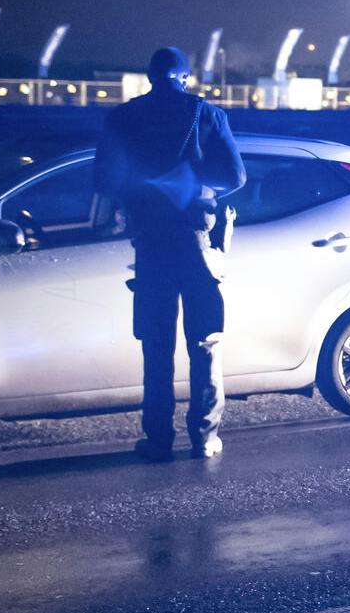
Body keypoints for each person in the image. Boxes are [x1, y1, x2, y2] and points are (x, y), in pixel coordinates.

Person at [95, 46, 247, 460]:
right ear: (185, 77)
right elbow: (235, 175)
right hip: (195, 242)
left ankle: (158, 440)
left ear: (149, 77)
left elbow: (105, 181)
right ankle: (205, 436)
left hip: (149, 245)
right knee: (205, 340)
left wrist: (135, 197)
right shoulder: (206, 114)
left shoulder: (122, 118)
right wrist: (196, 187)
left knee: (156, 345)